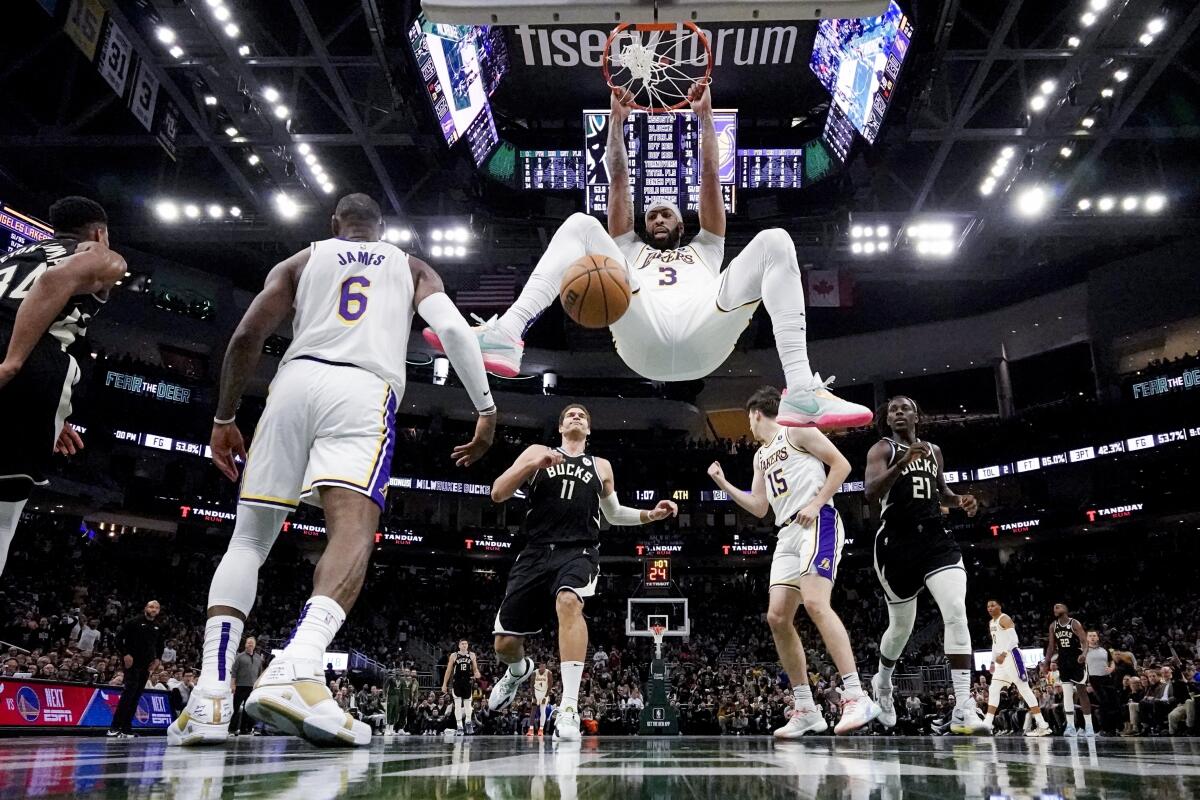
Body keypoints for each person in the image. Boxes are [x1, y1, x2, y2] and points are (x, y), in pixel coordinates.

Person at [168, 194, 496, 747]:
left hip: (293, 384)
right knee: (354, 531)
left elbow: (247, 336)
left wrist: (224, 417)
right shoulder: (410, 266)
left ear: (334, 225)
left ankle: (209, 696)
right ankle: (299, 665)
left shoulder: (302, 260)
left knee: (248, 540)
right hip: (361, 390)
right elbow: (455, 333)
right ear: (382, 229)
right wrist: (485, 408)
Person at [424, 85, 870, 431]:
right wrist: (617, 122)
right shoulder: (626, 250)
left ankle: (802, 389)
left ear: (683, 222)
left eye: (666, 213)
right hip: (642, 332)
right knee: (582, 224)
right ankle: (508, 332)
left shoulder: (707, 246)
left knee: (775, 240)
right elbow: (618, 177)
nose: (656, 217)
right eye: (651, 213)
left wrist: (705, 117)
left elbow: (710, 174)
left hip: (705, 330)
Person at [486, 403, 677, 741]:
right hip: (534, 550)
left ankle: (569, 706)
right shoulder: (537, 452)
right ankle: (518, 671)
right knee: (504, 644)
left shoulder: (600, 465)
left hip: (579, 550)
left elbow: (614, 514)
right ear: (560, 427)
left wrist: (651, 515)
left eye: (583, 416)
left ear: (588, 431)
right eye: (570, 415)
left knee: (569, 600)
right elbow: (498, 492)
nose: (576, 417)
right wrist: (534, 463)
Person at [706, 386, 877, 737]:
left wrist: (815, 504)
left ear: (755, 413)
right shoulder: (759, 456)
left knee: (815, 602)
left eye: (747, 418)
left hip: (818, 519)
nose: (748, 426)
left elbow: (841, 465)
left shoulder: (796, 428)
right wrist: (723, 483)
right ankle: (805, 708)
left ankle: (857, 695)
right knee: (777, 616)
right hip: (786, 532)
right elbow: (759, 507)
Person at [0, 197, 126, 576]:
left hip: (25, 371)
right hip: (31, 358)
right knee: (4, 513)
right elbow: (56, 280)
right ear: (99, 231)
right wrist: (13, 362)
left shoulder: (19, 254)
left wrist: (55, 417)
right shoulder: (102, 254)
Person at [863, 396, 988, 735]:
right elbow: (869, 492)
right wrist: (902, 463)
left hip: (935, 539)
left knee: (955, 611)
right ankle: (883, 682)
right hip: (896, 544)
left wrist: (959, 500)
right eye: (893, 410)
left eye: (905, 409)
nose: (899, 413)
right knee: (901, 628)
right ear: (888, 420)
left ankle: (964, 706)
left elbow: (940, 491)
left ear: (917, 416)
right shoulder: (882, 450)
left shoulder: (933, 450)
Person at [982, 600, 1051, 736]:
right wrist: (992, 662)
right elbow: (995, 644)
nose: (990, 608)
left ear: (1000, 606)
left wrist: (1003, 654)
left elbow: (1014, 639)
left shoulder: (1005, 618)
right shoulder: (991, 623)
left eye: (993, 605)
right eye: (988, 606)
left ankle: (1042, 724)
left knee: (1024, 689)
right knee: (994, 688)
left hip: (1012, 656)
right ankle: (987, 724)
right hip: (1001, 661)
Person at [108, 600, 165, 738]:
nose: (153, 609)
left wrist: (157, 659)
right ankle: (114, 727)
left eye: (156, 608)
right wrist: (125, 654)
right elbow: (118, 639)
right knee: (128, 694)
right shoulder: (133, 622)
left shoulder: (158, 626)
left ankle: (127, 728)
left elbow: (160, 645)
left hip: (146, 666)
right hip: (132, 663)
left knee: (136, 696)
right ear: (146, 608)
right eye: (151, 607)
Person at [1043, 603, 1095, 737]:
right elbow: (1051, 646)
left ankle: (1089, 726)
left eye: (1058, 607)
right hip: (1064, 661)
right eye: (1054, 607)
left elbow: (1084, 641)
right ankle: (1070, 726)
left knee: (1082, 692)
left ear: (1066, 609)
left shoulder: (1074, 623)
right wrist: (1046, 662)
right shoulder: (1053, 626)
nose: (1055, 608)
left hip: (1076, 660)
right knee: (1067, 694)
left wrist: (1084, 654)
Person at [441, 639, 482, 735]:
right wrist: (444, 684)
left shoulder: (472, 655)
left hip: (467, 682)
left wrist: (477, 673)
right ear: (459, 645)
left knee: (468, 704)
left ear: (468, 645)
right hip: (457, 682)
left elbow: (475, 669)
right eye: (462, 644)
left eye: (466, 644)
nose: (464, 645)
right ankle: (459, 725)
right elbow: (448, 670)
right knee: (458, 705)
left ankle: (468, 722)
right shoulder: (454, 655)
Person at [229, 637, 264, 735]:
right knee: (235, 708)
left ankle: (245, 730)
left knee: (247, 709)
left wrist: (258, 686)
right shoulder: (239, 657)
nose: (250, 645)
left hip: (252, 687)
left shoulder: (258, 658)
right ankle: (232, 729)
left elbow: (260, 673)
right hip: (239, 686)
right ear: (245, 644)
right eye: (248, 643)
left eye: (252, 643)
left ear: (255, 645)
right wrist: (233, 685)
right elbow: (234, 672)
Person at [1085, 630, 1117, 734]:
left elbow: (1112, 661)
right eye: (1090, 636)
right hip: (1093, 678)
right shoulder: (1084, 650)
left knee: (1112, 702)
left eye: (1094, 635)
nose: (1092, 637)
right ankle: (1105, 728)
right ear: (1087, 638)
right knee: (1103, 702)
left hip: (1107, 678)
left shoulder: (1105, 650)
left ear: (1098, 638)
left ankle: (1114, 728)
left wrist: (1112, 668)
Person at [528, 661, 554, 737]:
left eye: (544, 667)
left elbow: (550, 686)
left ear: (545, 667)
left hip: (544, 693)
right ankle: (531, 729)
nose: (543, 668)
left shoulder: (548, 673)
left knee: (543, 711)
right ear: (539, 666)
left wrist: (545, 696)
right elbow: (531, 685)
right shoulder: (534, 673)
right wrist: (534, 696)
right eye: (541, 666)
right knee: (533, 710)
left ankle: (541, 729)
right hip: (536, 692)